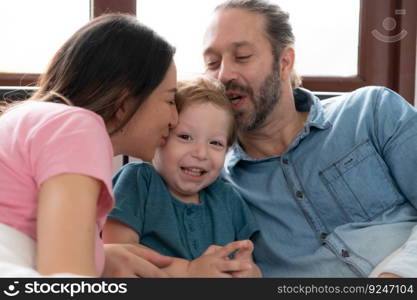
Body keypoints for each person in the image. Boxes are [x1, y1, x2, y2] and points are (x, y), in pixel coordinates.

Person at [202, 0, 417, 277]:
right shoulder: (216, 183)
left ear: (284, 61)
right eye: (212, 63)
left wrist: (397, 275)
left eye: (242, 56)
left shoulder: (371, 111)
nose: (224, 75)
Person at [0, 13, 178, 277]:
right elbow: (67, 281)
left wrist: (99, 256)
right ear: (124, 100)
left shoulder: (33, 119)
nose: (175, 119)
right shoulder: (78, 126)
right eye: (170, 100)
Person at [103, 77, 261, 277]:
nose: (201, 153)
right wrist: (191, 272)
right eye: (185, 137)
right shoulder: (139, 181)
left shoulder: (228, 198)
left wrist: (248, 273)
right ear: (160, 136)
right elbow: (121, 258)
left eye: (216, 143)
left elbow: (249, 265)